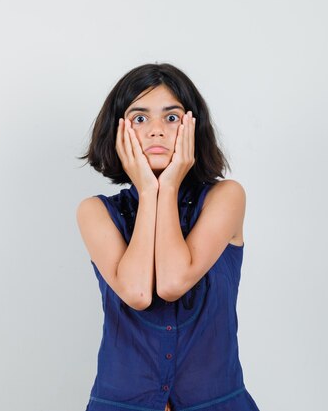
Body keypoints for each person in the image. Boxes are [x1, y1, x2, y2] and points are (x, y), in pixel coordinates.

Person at [76, 63, 260, 411]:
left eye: (172, 118)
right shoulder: (96, 213)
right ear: (117, 131)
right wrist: (148, 191)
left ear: (193, 127)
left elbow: (173, 282)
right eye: (140, 119)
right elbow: (139, 293)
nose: (156, 131)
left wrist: (170, 183)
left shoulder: (226, 198)